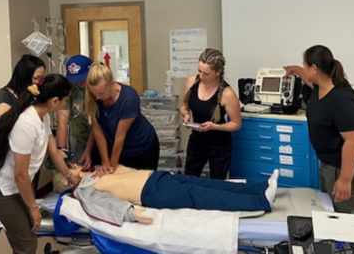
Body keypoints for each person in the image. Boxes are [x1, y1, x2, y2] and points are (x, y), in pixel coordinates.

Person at [0, 74, 81, 254]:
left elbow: (53, 152)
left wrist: (71, 177)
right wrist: (33, 208)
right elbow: (20, 174)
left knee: (26, 236)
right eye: (66, 100)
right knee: (27, 244)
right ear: (55, 101)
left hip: (18, 186)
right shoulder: (26, 123)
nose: (66, 104)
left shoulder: (44, 116)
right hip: (4, 191)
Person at [284, 44, 354, 213]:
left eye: (304, 65)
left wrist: (345, 180)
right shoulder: (318, 87)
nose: (303, 69)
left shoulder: (341, 100)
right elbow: (306, 77)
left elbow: (353, 141)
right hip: (329, 163)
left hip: (348, 167)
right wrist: (293, 69)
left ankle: (349, 241)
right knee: (330, 211)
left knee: (346, 215)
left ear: (314, 68)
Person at [0, 54, 45, 254]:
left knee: (5, 225)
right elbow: (11, 123)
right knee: (0, 225)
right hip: (2, 171)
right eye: (36, 78)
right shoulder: (3, 97)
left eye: (42, 79)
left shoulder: (32, 98)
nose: (39, 82)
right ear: (24, 75)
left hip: (19, 169)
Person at [56, 165, 279, 226]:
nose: (74, 165)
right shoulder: (83, 190)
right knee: (201, 195)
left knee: (207, 184)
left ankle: (258, 188)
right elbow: (104, 205)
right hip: (151, 193)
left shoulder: (96, 171)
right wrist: (131, 214)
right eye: (70, 168)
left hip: (156, 177)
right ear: (67, 181)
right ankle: (260, 201)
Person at [85, 63, 160, 176]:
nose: (97, 97)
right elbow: (98, 131)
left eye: (101, 93)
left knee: (140, 184)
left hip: (143, 147)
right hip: (120, 149)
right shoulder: (93, 98)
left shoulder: (129, 98)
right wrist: (105, 163)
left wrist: (112, 166)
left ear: (112, 84)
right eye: (93, 93)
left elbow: (120, 136)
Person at [180, 48, 241, 179]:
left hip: (219, 145)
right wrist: (186, 115)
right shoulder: (192, 81)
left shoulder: (227, 94)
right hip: (197, 141)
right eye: (199, 71)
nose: (201, 76)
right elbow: (183, 106)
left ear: (218, 72)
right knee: (189, 179)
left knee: (216, 183)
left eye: (206, 74)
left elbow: (236, 124)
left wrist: (215, 127)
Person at [56, 55, 99, 169]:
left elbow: (97, 125)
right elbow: (62, 121)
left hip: (101, 138)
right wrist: (62, 150)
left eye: (82, 78)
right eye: (76, 79)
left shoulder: (98, 86)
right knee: (80, 172)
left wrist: (89, 150)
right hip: (79, 139)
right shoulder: (69, 89)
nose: (79, 82)